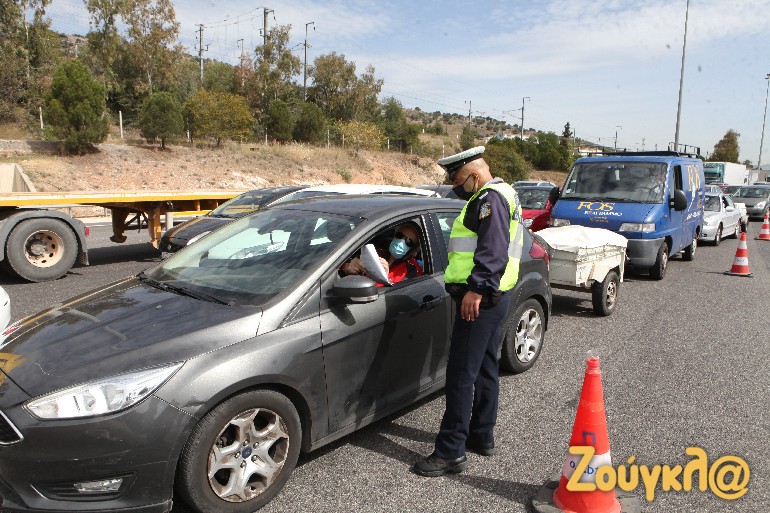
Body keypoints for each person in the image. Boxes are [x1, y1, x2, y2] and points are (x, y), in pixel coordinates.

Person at [412, 146, 524, 477]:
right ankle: (481, 434)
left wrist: (476, 289)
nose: (456, 188)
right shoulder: (505, 193)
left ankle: (450, 452)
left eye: (459, 181)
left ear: (474, 175)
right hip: (495, 296)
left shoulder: (490, 200)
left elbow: (493, 250)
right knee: (486, 366)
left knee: (461, 374)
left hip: (480, 299)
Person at [340, 222, 423, 286]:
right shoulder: (376, 252)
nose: (400, 242)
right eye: (399, 235)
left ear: (413, 250)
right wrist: (347, 269)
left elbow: (403, 295)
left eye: (408, 241)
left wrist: (386, 280)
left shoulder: (413, 269)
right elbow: (345, 270)